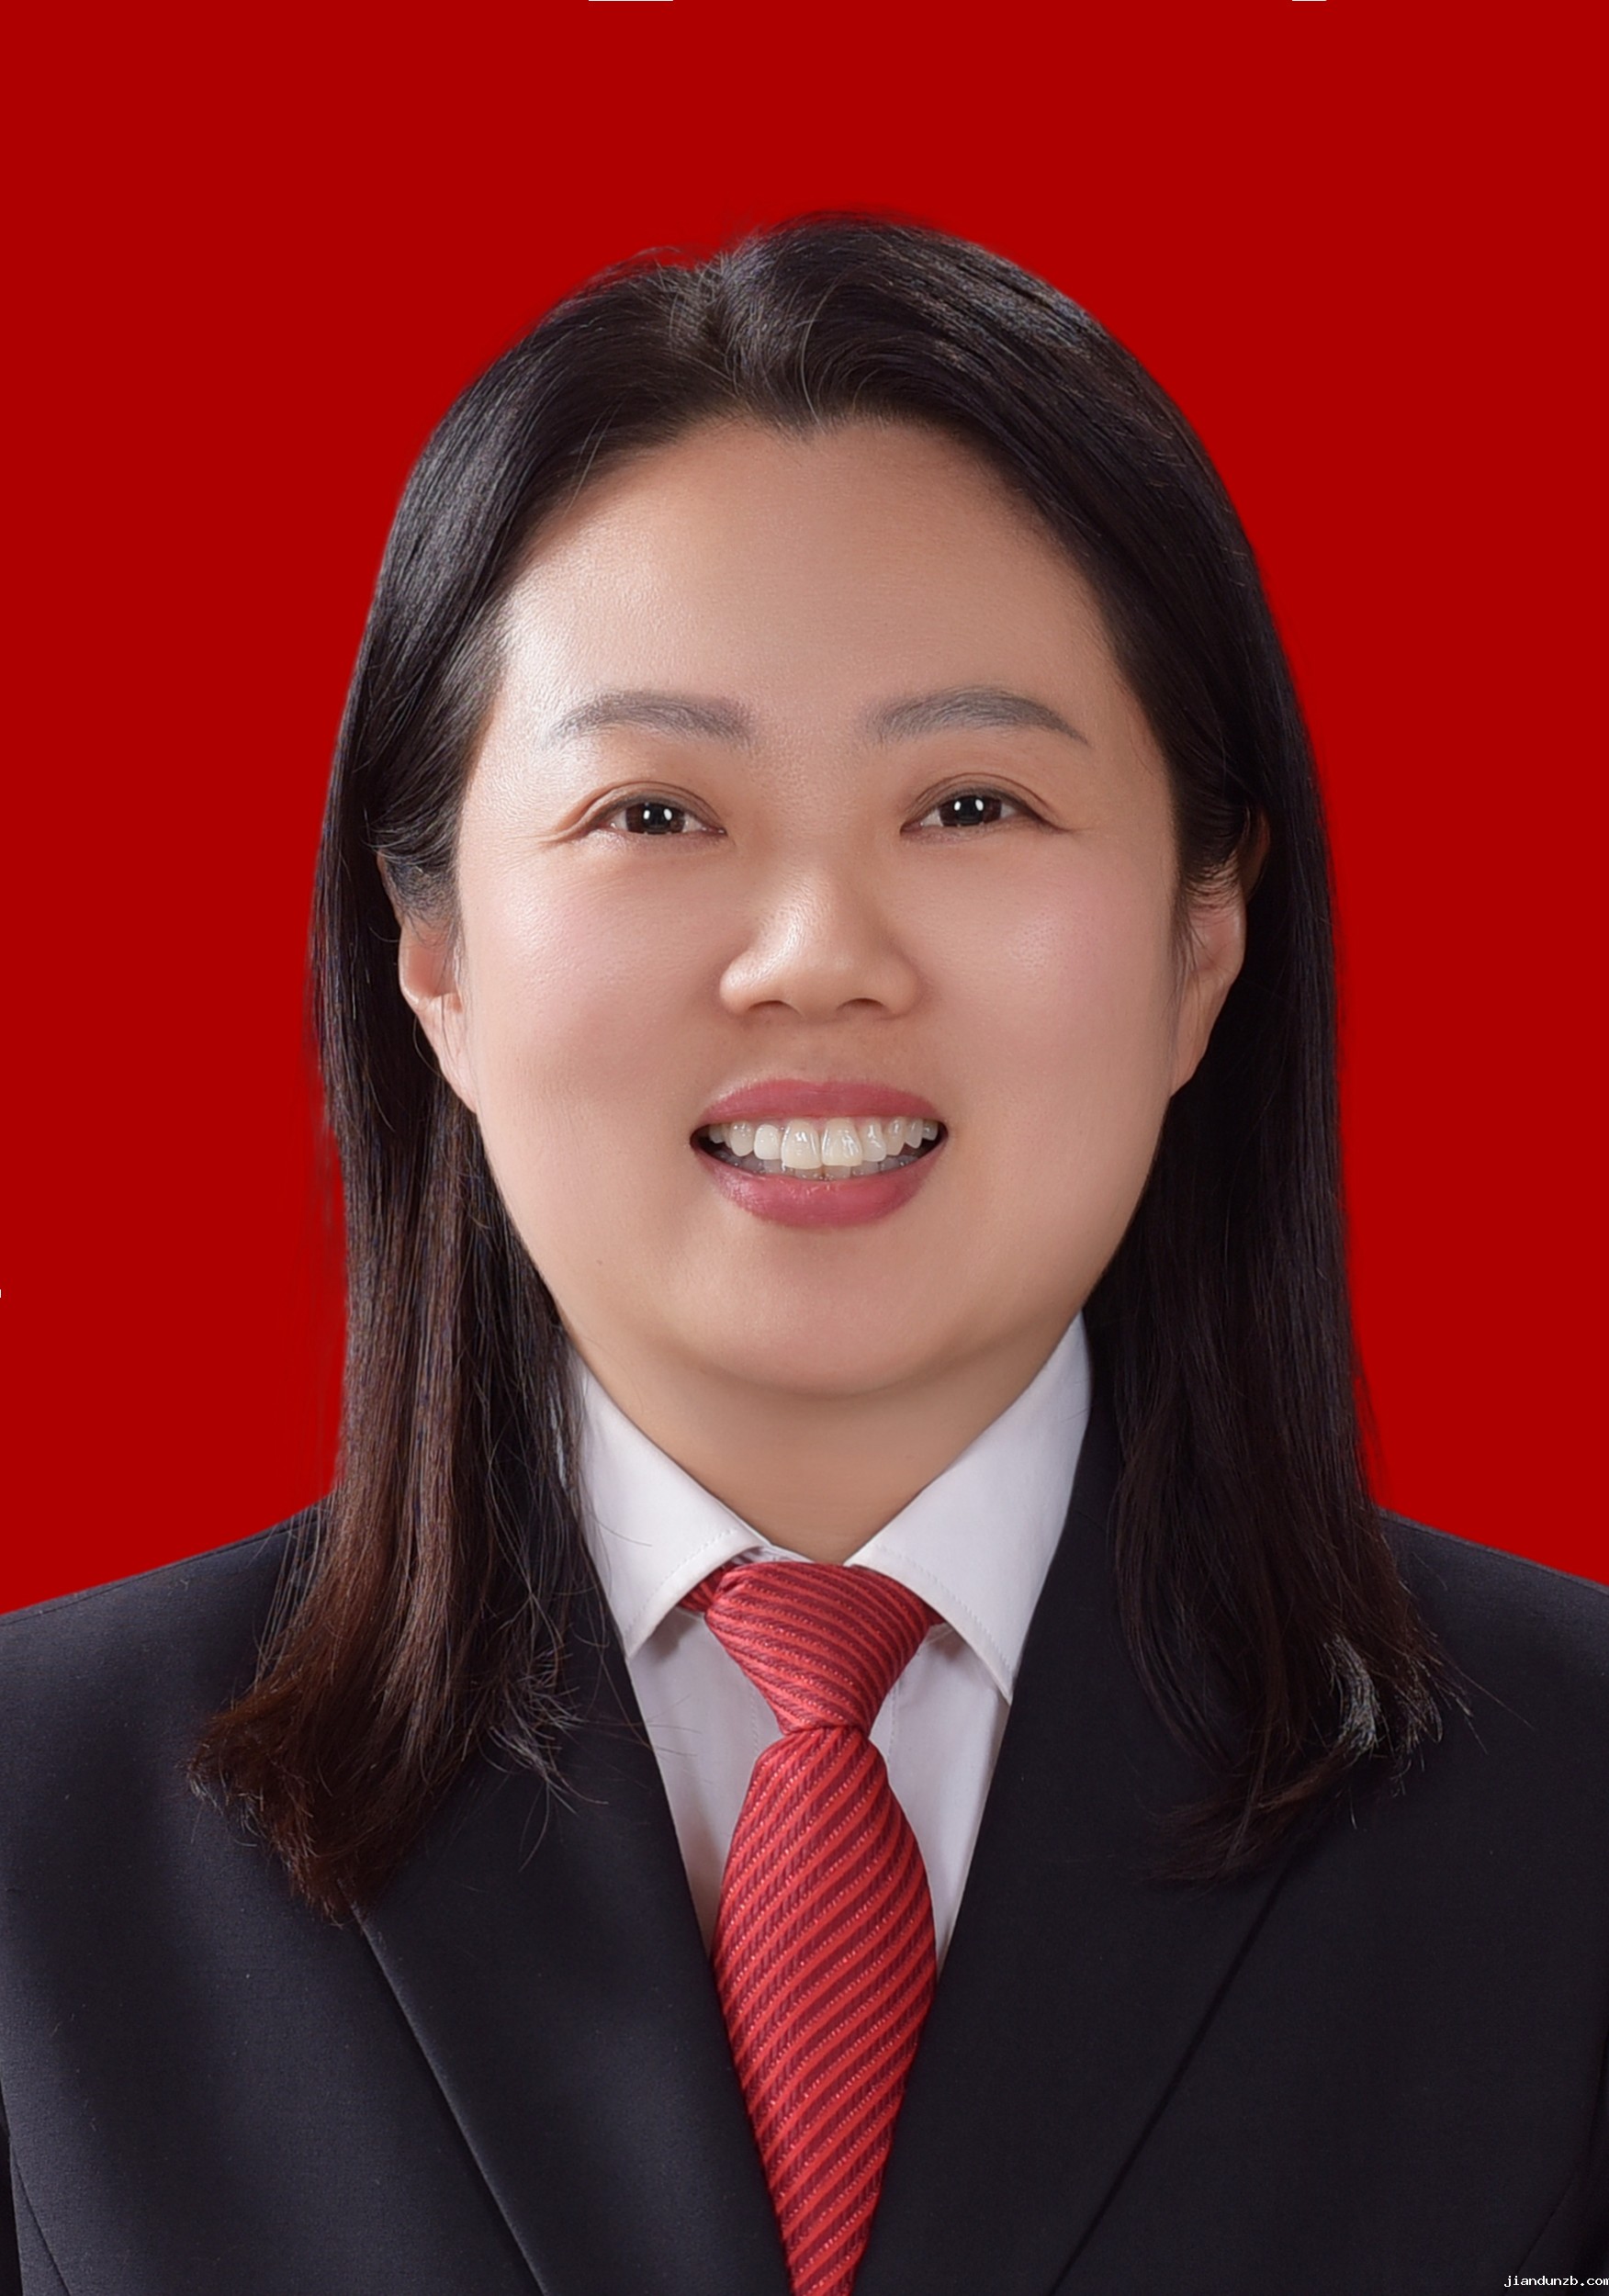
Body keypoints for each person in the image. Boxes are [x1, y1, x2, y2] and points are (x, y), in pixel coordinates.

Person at [1, 216, 1604, 2296]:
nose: (818, 955)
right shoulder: (38, 1832)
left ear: (1205, 938)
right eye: (655, 814)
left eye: (975, 803)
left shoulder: (1577, 1812)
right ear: (435, 955)